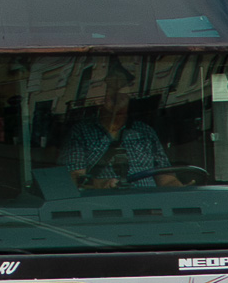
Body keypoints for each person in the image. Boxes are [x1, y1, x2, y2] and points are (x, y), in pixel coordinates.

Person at [61, 59, 180, 188]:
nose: (116, 93)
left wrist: (182, 191)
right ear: (99, 97)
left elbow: (166, 179)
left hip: (150, 205)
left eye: (121, 86)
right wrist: (104, 185)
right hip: (105, 205)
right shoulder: (81, 132)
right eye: (111, 87)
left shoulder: (145, 132)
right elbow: (75, 178)